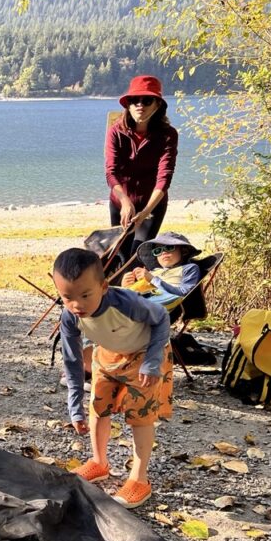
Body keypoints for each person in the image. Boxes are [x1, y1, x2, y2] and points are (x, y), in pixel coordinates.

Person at [52, 247, 172, 508]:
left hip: (144, 355)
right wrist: (74, 406)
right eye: (67, 297)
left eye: (85, 295)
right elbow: (72, 361)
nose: (77, 305)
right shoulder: (70, 317)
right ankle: (99, 462)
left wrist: (152, 362)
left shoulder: (125, 303)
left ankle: (139, 479)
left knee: (140, 416)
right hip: (108, 354)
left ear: (104, 287)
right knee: (98, 407)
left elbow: (162, 318)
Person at [105, 75, 178, 264]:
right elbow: (111, 172)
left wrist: (145, 212)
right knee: (119, 256)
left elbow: (164, 178)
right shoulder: (116, 132)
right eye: (134, 100)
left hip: (152, 206)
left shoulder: (168, 135)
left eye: (146, 100)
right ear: (128, 105)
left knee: (138, 256)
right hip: (121, 203)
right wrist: (124, 202)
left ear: (157, 105)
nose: (140, 105)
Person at [122, 231, 201, 308]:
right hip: (142, 300)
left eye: (169, 247)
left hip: (163, 302)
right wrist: (127, 286)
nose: (163, 252)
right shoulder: (154, 271)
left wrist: (152, 279)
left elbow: (184, 293)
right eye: (158, 251)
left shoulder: (190, 268)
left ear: (184, 251)